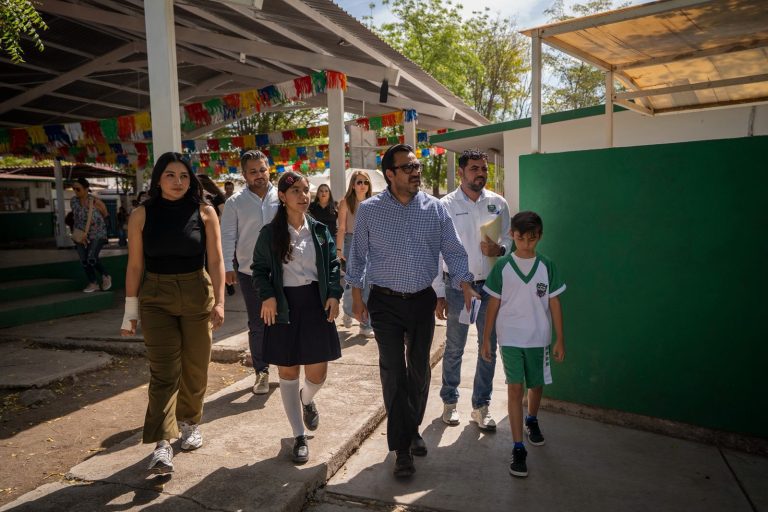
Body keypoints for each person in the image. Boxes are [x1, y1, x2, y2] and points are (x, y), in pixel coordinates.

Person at [347, 144, 479, 478]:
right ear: (390, 174)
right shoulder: (369, 210)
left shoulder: (434, 208)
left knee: (419, 371)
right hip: (385, 302)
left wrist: (464, 281)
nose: (416, 171)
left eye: (417, 165)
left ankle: (412, 427)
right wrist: (357, 297)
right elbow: (359, 256)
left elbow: (454, 250)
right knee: (393, 372)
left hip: (421, 299)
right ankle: (402, 449)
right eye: (407, 167)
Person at [120, 152, 226, 474]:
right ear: (158, 180)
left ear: (191, 179)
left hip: (196, 293)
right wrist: (130, 311)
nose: (178, 182)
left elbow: (217, 261)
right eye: (170, 175)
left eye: (183, 176)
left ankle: (191, 421)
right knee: (164, 371)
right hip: (155, 297)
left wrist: (220, 301)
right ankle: (163, 444)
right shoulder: (141, 215)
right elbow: (135, 265)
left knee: (196, 366)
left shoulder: (205, 212)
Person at [251, 170, 342, 463]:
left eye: (306, 190)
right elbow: (260, 269)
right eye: (296, 192)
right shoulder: (270, 233)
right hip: (284, 307)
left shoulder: (318, 229)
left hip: (315, 304)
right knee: (288, 372)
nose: (304, 196)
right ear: (282, 197)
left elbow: (331, 265)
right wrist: (267, 296)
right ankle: (298, 436)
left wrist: (334, 293)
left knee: (318, 374)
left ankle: (308, 399)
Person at [481, 210, 566, 478]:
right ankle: (518, 448)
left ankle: (532, 419)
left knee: (535, 386)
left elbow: (554, 302)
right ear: (512, 235)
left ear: (539, 237)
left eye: (532, 239)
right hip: (510, 338)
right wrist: (486, 337)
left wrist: (560, 338)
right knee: (515, 389)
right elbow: (493, 303)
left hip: (538, 338)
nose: (526, 244)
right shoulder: (503, 267)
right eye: (521, 238)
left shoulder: (547, 265)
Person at [434, 149, 512, 431]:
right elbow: (437, 251)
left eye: (484, 169)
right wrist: (439, 292)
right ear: (461, 172)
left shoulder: (498, 203)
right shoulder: (444, 205)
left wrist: (499, 249)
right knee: (454, 347)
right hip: (457, 287)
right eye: (475, 168)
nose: (481, 173)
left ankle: (481, 406)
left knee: (488, 347)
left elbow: (509, 240)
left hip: (491, 287)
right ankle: (449, 402)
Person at [221, 150, 280, 394]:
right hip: (249, 272)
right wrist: (227, 267)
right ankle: (262, 371)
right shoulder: (235, 202)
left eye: (262, 170)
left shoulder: (283, 196)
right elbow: (227, 236)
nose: (259, 175)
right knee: (258, 324)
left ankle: (288, 367)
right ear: (244, 175)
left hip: (284, 271)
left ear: (269, 169)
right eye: (253, 171)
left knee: (286, 320)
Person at [336, 170, 374, 337]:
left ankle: (365, 324)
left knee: (368, 283)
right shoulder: (345, 202)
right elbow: (342, 228)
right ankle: (349, 310)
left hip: (370, 244)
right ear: (353, 185)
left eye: (365, 182)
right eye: (359, 182)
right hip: (351, 242)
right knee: (353, 280)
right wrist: (339, 250)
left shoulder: (373, 202)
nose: (362, 185)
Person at [70, 177, 112, 293]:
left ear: (86, 188)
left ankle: (105, 275)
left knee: (91, 257)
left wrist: (106, 233)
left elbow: (106, 215)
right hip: (80, 234)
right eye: (74, 189)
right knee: (84, 260)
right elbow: (76, 217)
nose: (75, 191)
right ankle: (93, 283)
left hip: (97, 233)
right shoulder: (73, 201)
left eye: (78, 189)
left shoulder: (95, 201)